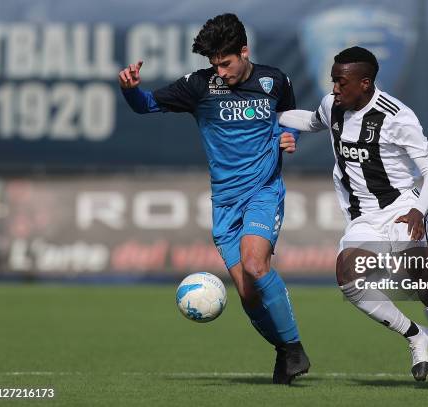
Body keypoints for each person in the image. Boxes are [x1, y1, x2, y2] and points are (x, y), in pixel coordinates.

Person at [278, 46, 428, 390]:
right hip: (363, 218)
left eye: (341, 81)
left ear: (365, 83)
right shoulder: (331, 106)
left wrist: (418, 210)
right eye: (333, 80)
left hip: (403, 209)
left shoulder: (397, 117)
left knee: (427, 286)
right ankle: (415, 334)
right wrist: (268, 114)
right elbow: (308, 121)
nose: (334, 88)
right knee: (348, 277)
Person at [118, 13, 309, 384]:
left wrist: (291, 139)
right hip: (224, 203)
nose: (220, 71)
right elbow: (146, 105)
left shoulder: (275, 80)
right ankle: (284, 350)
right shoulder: (198, 86)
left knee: (256, 265)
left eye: (226, 63)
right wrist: (130, 89)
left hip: (263, 191)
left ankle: (295, 348)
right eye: (214, 64)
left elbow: (289, 118)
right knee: (248, 295)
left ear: (244, 50)